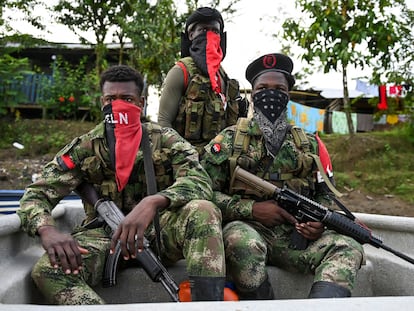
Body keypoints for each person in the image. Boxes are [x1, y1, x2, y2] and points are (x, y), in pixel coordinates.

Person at [17, 65, 226, 304]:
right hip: (104, 236)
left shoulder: (164, 139)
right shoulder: (86, 147)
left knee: (203, 210)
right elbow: (36, 195)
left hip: (158, 231)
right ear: (101, 102)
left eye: (127, 98)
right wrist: (48, 230)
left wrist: (154, 202)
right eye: (111, 99)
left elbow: (199, 181)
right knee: (48, 270)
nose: (118, 105)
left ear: (141, 102)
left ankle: (209, 306)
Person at [201, 53, 364, 299]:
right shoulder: (228, 140)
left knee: (348, 247)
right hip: (248, 229)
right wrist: (252, 210)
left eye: (279, 89)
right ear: (253, 94)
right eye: (263, 88)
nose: (270, 94)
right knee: (242, 242)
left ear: (287, 95)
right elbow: (203, 194)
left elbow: (326, 194)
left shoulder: (309, 143)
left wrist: (318, 222)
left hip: (295, 236)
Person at [157, 6, 245, 154]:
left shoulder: (224, 77)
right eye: (203, 30)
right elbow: (164, 123)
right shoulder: (181, 71)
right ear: (191, 35)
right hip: (188, 163)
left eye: (215, 31)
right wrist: (184, 157)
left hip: (219, 161)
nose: (210, 36)